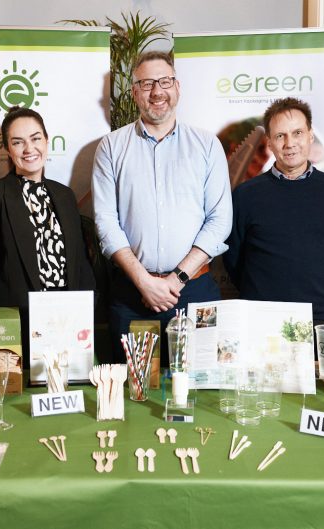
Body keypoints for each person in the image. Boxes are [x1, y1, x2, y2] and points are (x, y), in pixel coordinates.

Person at [92, 51, 232, 363]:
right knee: (133, 396)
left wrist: (175, 280)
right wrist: (144, 281)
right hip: (132, 297)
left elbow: (220, 220)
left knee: (201, 392)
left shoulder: (207, 145)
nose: (157, 91)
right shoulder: (111, 147)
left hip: (194, 293)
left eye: (164, 81)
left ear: (177, 87)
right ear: (134, 93)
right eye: (146, 84)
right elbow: (105, 222)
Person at [0, 106, 96, 358]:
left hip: (69, 323)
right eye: (18, 142)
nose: (29, 149)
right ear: (7, 149)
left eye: (36, 139)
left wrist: (88, 311)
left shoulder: (64, 196)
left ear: (47, 141)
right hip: (19, 323)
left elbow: (80, 263)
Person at [224, 97, 324, 324]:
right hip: (259, 319)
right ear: (269, 143)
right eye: (280, 136)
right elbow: (232, 259)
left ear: (310, 136)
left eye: (297, 133)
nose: (290, 143)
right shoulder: (245, 195)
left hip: (317, 318)